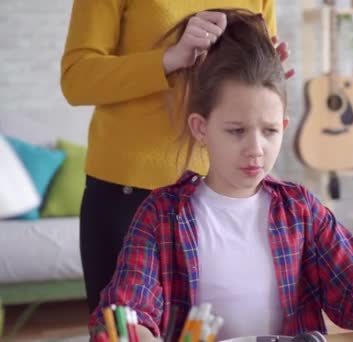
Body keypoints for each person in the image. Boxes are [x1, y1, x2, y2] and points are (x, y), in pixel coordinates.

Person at [89, 9, 353, 342]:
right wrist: (136, 332)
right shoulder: (160, 215)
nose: (256, 148)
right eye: (236, 131)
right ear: (201, 128)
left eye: (269, 131)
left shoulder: (300, 210)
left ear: (285, 126)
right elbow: (128, 303)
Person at [60, 0, 291, 313]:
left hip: (222, 192)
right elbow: (77, 80)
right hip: (129, 191)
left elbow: (250, 89)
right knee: (123, 326)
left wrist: (264, 69)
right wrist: (170, 58)